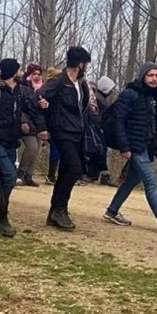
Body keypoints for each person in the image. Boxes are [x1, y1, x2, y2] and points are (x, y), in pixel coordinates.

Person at [102, 62, 157, 235]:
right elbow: (119, 121)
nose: (154, 79)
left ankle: (112, 210)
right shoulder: (129, 94)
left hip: (148, 145)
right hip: (135, 145)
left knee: (132, 180)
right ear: (143, 76)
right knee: (150, 179)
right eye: (151, 75)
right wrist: (124, 146)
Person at [0, 59, 36, 238]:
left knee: (4, 179)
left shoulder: (18, 92)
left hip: (11, 142)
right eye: (19, 70)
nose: (22, 72)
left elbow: (25, 110)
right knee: (10, 177)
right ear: (12, 72)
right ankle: (1, 216)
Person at [35, 47, 92, 230]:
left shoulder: (81, 84)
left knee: (66, 171)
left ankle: (57, 211)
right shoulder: (59, 82)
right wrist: (43, 125)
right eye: (86, 64)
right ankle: (59, 209)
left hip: (77, 132)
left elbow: (80, 107)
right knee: (75, 170)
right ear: (81, 64)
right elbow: (36, 100)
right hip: (61, 131)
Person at [17, 63, 44, 186]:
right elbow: (21, 107)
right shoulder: (24, 88)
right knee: (31, 147)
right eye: (34, 74)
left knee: (36, 150)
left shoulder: (43, 89)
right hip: (27, 122)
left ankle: (29, 174)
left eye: (39, 74)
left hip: (39, 124)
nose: (37, 76)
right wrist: (23, 121)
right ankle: (21, 172)